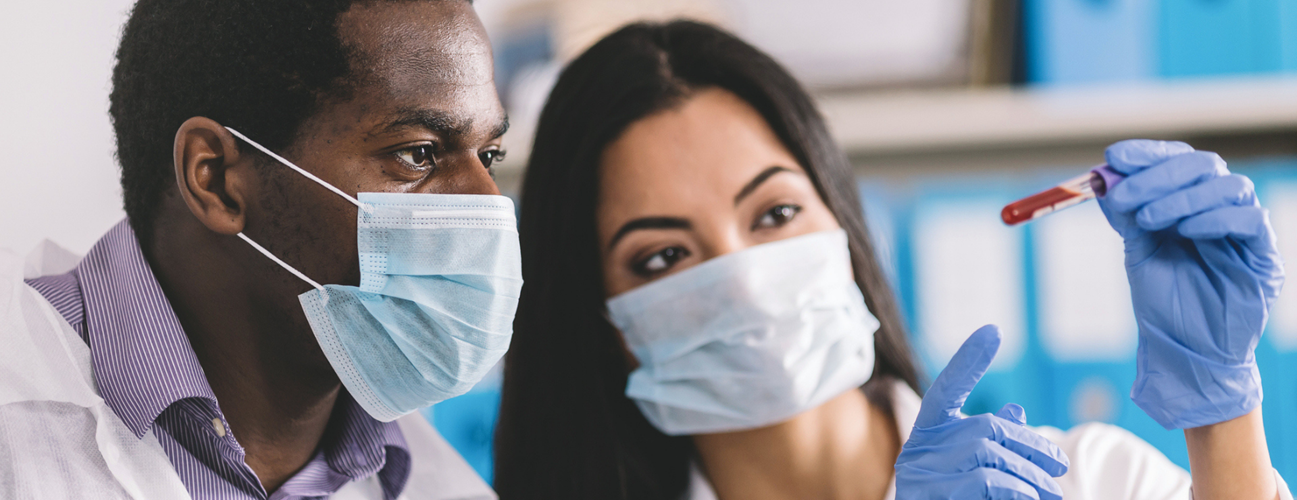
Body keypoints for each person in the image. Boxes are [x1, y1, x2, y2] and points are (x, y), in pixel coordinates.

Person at [493, 20, 1290, 500]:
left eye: (773, 213)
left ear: (843, 225)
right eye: (663, 256)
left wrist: (1221, 414)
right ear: (598, 320)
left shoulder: (1081, 479)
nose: (741, 276)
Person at [1, 1, 521, 499]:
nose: (488, 207)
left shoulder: (435, 483)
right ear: (220, 181)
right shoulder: (16, 427)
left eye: (489, 156)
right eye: (419, 153)